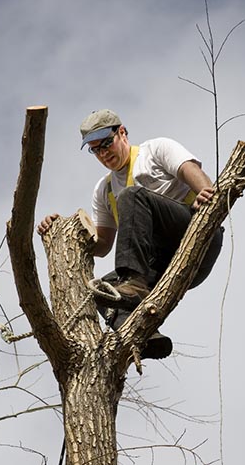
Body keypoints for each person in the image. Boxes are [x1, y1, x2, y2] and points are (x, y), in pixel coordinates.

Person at [37, 109, 223, 359]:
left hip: (192, 232)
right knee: (101, 290)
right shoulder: (104, 190)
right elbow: (102, 246)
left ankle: (134, 283)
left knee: (132, 196)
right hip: (160, 262)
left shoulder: (155, 151)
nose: (104, 154)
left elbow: (190, 170)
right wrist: (62, 229)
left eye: (106, 144)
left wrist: (207, 193)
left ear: (122, 133)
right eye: (96, 150)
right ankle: (142, 337)